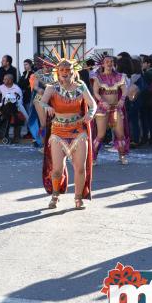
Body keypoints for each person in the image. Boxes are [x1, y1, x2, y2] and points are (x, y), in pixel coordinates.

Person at [40, 47, 96, 210]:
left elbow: (93, 104)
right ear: (58, 71)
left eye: (68, 70)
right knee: (57, 169)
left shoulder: (81, 86)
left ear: (73, 71)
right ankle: (55, 195)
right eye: (62, 70)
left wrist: (91, 114)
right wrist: (47, 107)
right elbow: (42, 101)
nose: (65, 72)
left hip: (78, 132)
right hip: (58, 132)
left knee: (80, 168)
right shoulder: (52, 88)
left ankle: (78, 198)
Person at [92, 56, 130, 165]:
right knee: (100, 135)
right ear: (103, 64)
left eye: (111, 61)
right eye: (107, 62)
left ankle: (122, 156)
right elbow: (95, 92)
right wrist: (102, 102)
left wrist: (122, 99)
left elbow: (124, 90)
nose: (109, 63)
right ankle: (94, 158)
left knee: (120, 134)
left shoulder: (120, 76)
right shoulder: (98, 77)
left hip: (116, 107)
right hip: (102, 108)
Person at [28, 61, 57, 147]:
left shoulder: (55, 73)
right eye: (46, 65)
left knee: (52, 123)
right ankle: (42, 143)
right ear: (43, 65)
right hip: (40, 98)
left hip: (52, 99)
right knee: (43, 123)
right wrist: (39, 89)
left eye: (49, 65)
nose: (48, 67)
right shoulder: (38, 73)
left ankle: (50, 143)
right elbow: (35, 86)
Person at [0, 74, 29, 143]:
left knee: (16, 116)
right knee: (3, 114)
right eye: (4, 79)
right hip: (4, 107)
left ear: (10, 80)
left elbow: (19, 101)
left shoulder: (17, 89)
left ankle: (16, 136)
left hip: (15, 107)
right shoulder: (2, 87)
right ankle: (3, 134)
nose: (3, 80)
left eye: (5, 79)